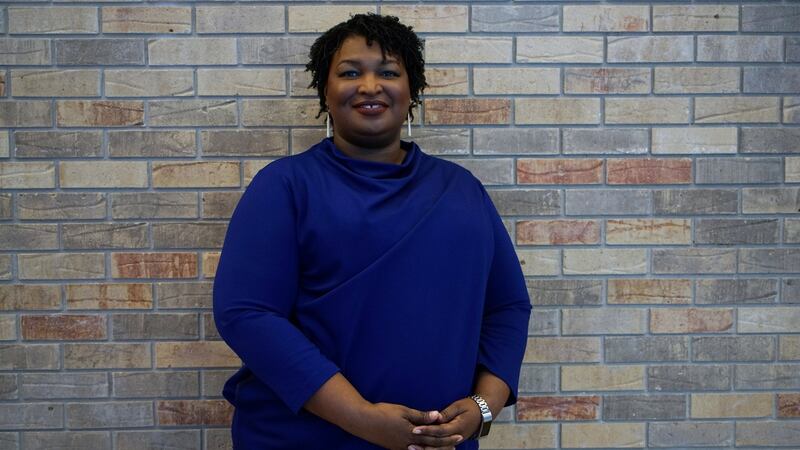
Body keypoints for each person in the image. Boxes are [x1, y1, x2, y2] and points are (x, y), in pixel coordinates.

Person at [213, 13, 531, 449]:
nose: (369, 85)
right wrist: (361, 418)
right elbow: (246, 314)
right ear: (325, 91)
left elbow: (508, 306)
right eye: (349, 72)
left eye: (388, 72)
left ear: (411, 90)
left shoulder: (461, 190)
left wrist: (483, 407)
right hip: (301, 439)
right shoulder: (285, 186)